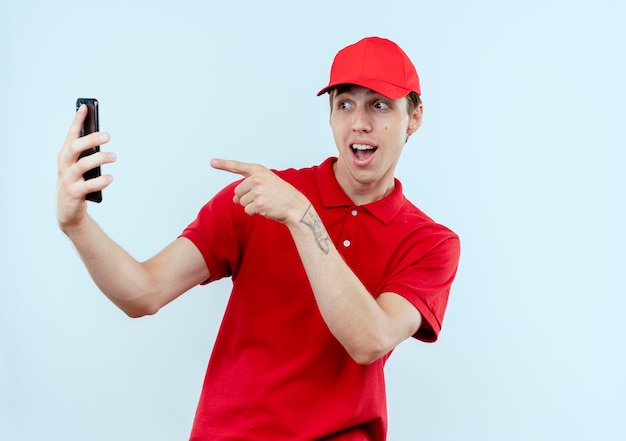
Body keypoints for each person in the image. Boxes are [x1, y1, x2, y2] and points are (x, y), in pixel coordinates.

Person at [57, 36, 460, 440]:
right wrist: (77, 225)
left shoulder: (431, 243)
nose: (359, 122)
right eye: (345, 104)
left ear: (415, 117)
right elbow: (143, 293)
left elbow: (368, 340)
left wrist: (303, 218)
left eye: (379, 104)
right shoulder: (259, 196)